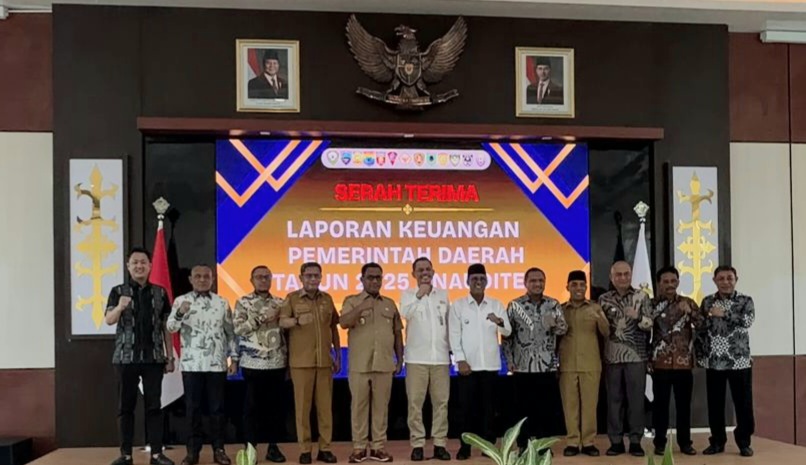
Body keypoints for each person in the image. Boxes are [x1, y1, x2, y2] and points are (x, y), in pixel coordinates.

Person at [104, 247, 175, 465]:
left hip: (154, 358)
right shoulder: (118, 291)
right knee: (125, 408)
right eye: (135, 262)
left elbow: (166, 327)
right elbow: (109, 320)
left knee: (154, 407)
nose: (139, 266)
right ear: (128, 266)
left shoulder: (160, 292)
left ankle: (156, 454)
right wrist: (120, 307)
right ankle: (125, 454)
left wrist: (170, 357)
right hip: (126, 358)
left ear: (150, 265)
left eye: (143, 262)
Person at [167, 265, 238, 465]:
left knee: (217, 409)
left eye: (206, 276)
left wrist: (234, 358)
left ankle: (219, 449)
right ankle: (192, 452)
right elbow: (171, 327)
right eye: (197, 276)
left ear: (212, 279)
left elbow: (230, 333)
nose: (202, 280)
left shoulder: (221, 302)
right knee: (193, 409)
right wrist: (180, 313)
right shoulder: (181, 301)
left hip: (217, 364)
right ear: (190, 279)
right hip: (192, 365)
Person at [340, 263, 404, 463]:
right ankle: (359, 448)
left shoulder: (389, 303)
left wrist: (400, 359)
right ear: (362, 279)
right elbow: (343, 322)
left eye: (378, 277)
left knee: (381, 408)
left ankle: (378, 447)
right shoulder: (352, 301)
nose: (375, 281)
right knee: (358, 407)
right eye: (370, 277)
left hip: (384, 363)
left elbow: (397, 333)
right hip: (360, 364)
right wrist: (361, 308)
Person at [278, 262, 340, 465]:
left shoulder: (327, 299)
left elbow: (333, 327)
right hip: (301, 362)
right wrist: (296, 321)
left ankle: (325, 449)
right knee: (302, 410)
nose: (313, 279)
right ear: (301, 278)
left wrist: (337, 355)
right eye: (309, 275)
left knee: (325, 409)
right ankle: (305, 450)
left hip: (324, 362)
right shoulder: (292, 298)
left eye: (316, 275)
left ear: (321, 277)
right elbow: (282, 321)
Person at [449, 263, 512, 460]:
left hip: (490, 366)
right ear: (467, 281)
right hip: (467, 367)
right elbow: (454, 335)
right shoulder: (458, 305)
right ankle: (465, 447)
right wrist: (460, 360)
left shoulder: (495, 304)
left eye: (482, 279)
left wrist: (499, 321)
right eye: (474, 279)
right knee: (466, 411)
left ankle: (488, 447)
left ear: (487, 281)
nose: (478, 282)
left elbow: (508, 331)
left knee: (489, 410)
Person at [502, 268, 567, 451]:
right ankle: (523, 446)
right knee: (523, 410)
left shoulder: (553, 304)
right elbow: (506, 335)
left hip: (546, 366)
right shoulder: (515, 305)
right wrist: (509, 360)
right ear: (525, 283)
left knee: (545, 409)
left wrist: (554, 325)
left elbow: (563, 329)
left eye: (540, 281)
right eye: (533, 281)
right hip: (522, 366)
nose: (537, 284)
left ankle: (543, 445)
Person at [696, 266, 756, 457]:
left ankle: (744, 442)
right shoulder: (707, 302)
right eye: (721, 278)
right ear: (714, 281)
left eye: (729, 278)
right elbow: (701, 328)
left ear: (736, 279)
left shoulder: (745, 300)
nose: (725, 282)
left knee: (743, 404)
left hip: (739, 361)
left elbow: (747, 321)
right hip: (714, 362)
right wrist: (700, 354)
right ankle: (717, 441)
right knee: (715, 405)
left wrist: (724, 314)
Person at [233, 266, 288, 463]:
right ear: (252, 280)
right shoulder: (243, 302)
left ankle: (273, 447)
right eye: (259, 277)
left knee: (275, 408)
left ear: (272, 279)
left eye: (267, 277)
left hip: (277, 363)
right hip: (252, 364)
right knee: (251, 408)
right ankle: (251, 448)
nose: (263, 280)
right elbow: (238, 329)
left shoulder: (281, 303)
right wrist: (262, 318)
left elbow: (287, 334)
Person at [598, 261, 652, 457]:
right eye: (618, 274)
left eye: (626, 274)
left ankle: (636, 441)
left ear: (631, 275)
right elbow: (599, 328)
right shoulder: (603, 299)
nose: (623, 278)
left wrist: (638, 317)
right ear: (611, 277)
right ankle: (616, 441)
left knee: (636, 401)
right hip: (612, 357)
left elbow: (650, 324)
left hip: (636, 357)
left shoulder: (642, 296)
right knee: (614, 401)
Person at [399, 257, 452, 461]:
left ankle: (439, 444)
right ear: (413, 274)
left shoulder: (443, 295)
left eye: (428, 269)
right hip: (416, 359)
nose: (424, 273)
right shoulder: (408, 295)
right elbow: (405, 314)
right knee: (415, 404)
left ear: (433, 272)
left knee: (441, 403)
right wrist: (419, 295)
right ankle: (418, 444)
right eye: (420, 270)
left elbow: (448, 324)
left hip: (440, 358)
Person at [649, 266, 702, 456]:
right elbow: (644, 330)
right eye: (666, 281)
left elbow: (703, 325)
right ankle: (659, 443)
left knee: (683, 406)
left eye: (673, 281)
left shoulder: (688, 302)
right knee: (660, 406)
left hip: (683, 363)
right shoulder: (651, 305)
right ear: (659, 284)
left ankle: (685, 443)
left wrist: (691, 313)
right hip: (660, 363)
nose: (670, 285)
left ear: (678, 282)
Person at [558, 270, 609, 457]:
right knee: (570, 406)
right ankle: (572, 442)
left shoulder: (595, 308)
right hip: (567, 364)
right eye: (574, 285)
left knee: (589, 406)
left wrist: (600, 318)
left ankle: (588, 442)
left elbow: (606, 333)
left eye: (582, 284)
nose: (578, 288)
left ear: (586, 287)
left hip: (591, 364)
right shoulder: (561, 310)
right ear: (568, 287)